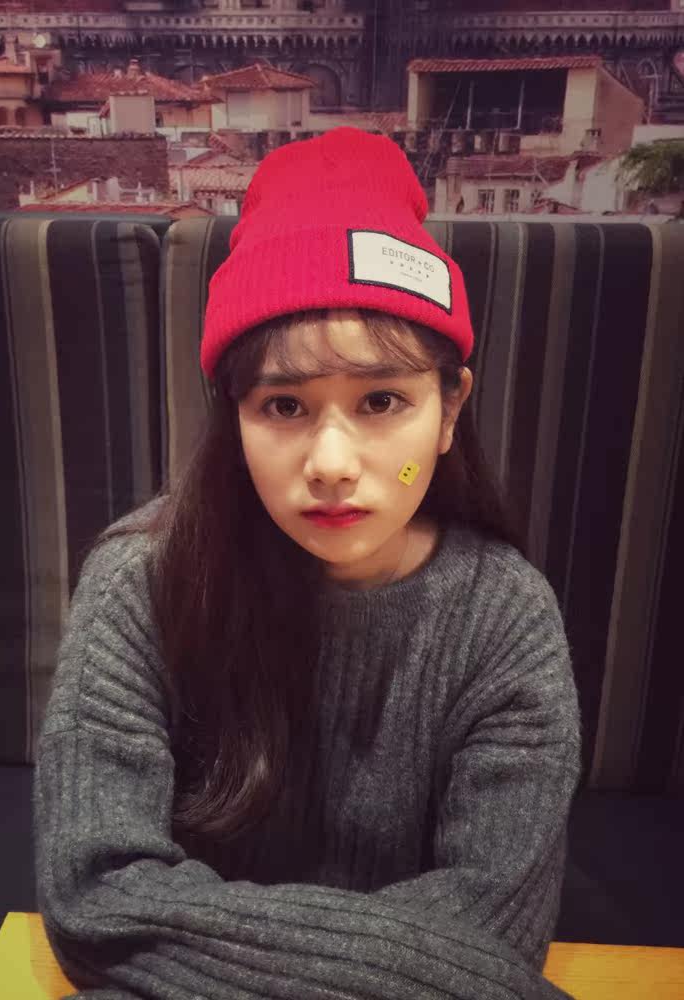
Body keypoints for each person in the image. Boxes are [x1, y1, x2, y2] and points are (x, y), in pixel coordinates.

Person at [34, 126, 582, 999]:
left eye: (381, 401)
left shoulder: (505, 616)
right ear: (234, 416)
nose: (331, 463)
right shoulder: (141, 581)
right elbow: (95, 896)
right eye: (284, 405)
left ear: (449, 411)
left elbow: (498, 928)